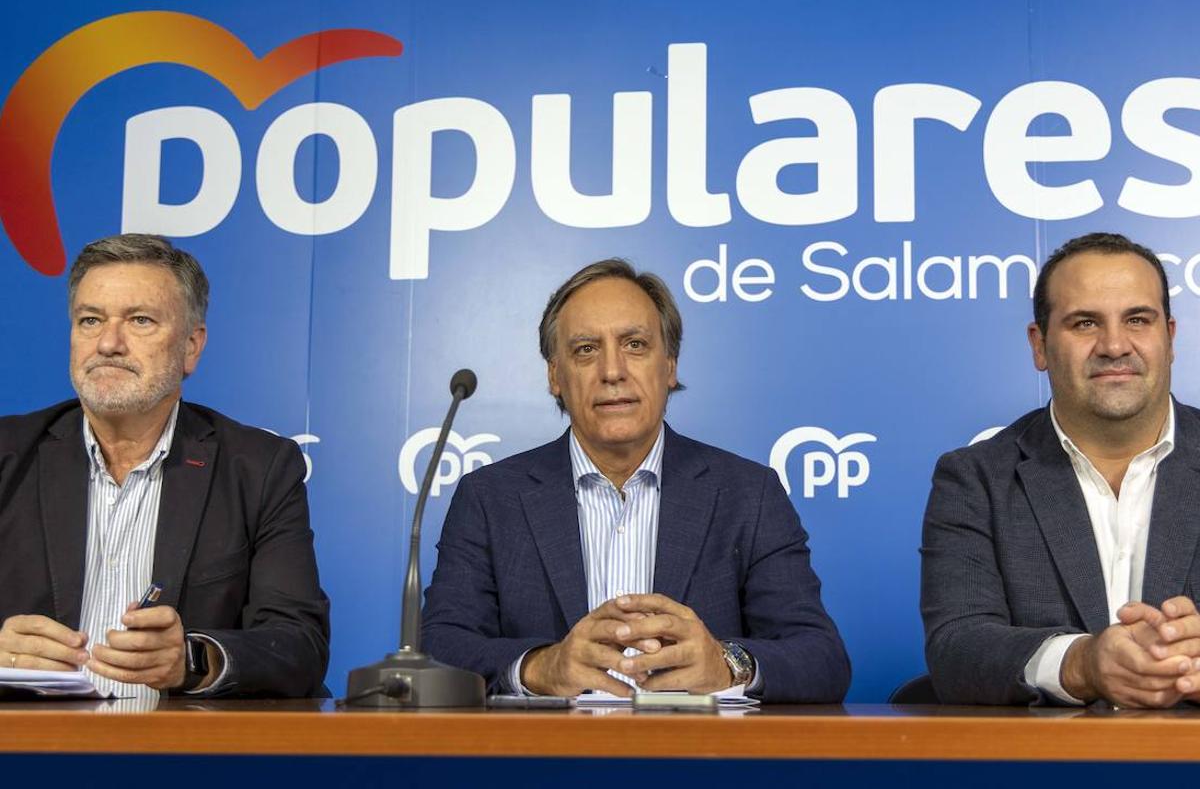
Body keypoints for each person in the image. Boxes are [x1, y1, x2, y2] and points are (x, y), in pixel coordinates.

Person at [422, 258, 849, 703]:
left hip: (701, 765)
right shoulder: (491, 498)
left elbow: (821, 659)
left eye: (635, 345)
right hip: (544, 766)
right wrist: (541, 666)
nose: (612, 371)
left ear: (669, 366)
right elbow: (437, 650)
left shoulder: (748, 494)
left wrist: (726, 664)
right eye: (586, 349)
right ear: (555, 376)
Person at [0, 234, 329, 698]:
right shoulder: (8, 455)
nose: (109, 343)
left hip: (183, 759)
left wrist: (193, 660)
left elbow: (299, 644)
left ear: (191, 347)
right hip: (30, 755)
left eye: (140, 320)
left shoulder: (258, 469)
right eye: (90, 320)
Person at [922, 232, 1200, 707]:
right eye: (1085, 323)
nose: (1114, 345)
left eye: (1137, 319)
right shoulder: (975, 479)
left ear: (1169, 338)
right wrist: (1082, 663)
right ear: (1040, 345)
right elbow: (957, 649)